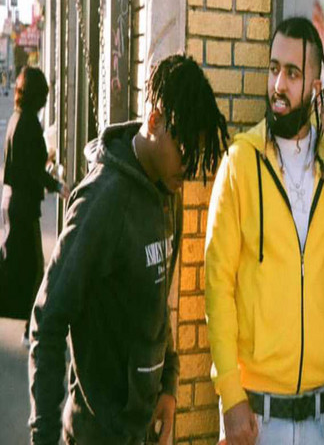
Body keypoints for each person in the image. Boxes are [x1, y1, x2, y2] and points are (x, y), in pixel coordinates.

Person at [29, 54, 229, 445]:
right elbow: (48, 320)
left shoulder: (167, 190)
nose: (189, 168)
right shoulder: (102, 200)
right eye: (185, 150)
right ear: (154, 121)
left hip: (143, 430)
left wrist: (168, 384)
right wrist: (44, 436)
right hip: (96, 433)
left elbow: (156, 301)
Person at [205, 17, 324, 445]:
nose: (278, 85)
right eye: (273, 69)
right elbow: (217, 285)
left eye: (293, 73)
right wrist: (230, 395)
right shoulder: (240, 163)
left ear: (317, 87)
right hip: (258, 417)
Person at [0, 66, 69, 345]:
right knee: (33, 271)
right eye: (43, 96)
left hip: (13, 203)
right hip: (24, 206)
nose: (44, 102)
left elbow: (24, 162)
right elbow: (33, 169)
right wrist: (58, 186)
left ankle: (30, 327)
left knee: (17, 266)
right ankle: (31, 329)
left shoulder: (17, 118)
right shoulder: (28, 123)